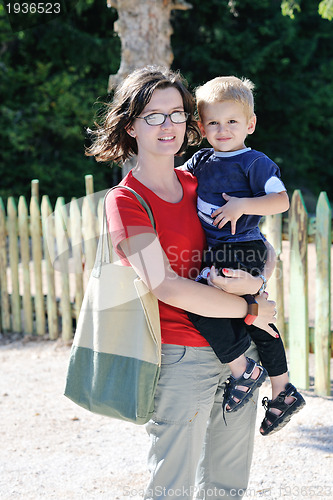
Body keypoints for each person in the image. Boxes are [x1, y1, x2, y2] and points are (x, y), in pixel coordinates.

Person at [86, 66, 276, 500]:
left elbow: (262, 248)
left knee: (227, 487)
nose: (168, 125)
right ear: (131, 125)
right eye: (154, 115)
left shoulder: (204, 181)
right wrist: (248, 308)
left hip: (239, 348)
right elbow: (164, 285)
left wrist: (256, 280)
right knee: (172, 488)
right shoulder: (125, 202)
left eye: (176, 113)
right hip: (180, 358)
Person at [183, 75, 305, 436]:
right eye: (214, 123)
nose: (223, 129)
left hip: (243, 248)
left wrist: (242, 205)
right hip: (219, 250)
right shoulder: (202, 159)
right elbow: (174, 179)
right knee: (250, 317)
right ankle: (282, 389)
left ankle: (246, 370)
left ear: (249, 124)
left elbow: (281, 200)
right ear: (202, 127)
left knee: (207, 305)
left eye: (232, 121)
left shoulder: (255, 162)